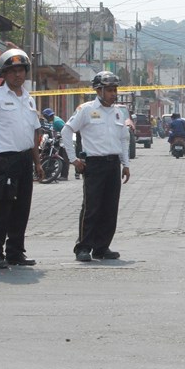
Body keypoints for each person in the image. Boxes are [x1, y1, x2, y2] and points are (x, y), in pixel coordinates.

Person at [0, 48, 44, 270]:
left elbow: (34, 132)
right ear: (4, 74)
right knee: (1, 209)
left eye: (21, 70)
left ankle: (15, 252)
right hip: (3, 160)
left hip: (24, 159)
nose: (18, 75)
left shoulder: (29, 99)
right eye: (13, 71)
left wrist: (37, 162)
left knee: (22, 208)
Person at [62, 71, 131, 262]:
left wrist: (125, 164)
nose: (113, 93)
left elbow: (124, 139)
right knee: (92, 208)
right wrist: (73, 159)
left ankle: (102, 247)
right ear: (98, 90)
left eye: (115, 90)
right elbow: (66, 131)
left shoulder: (118, 111)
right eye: (109, 90)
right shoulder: (86, 109)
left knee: (110, 208)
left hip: (113, 165)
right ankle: (83, 247)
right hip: (94, 165)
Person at [41, 108, 70, 180]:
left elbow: (65, 130)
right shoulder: (53, 121)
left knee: (64, 158)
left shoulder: (57, 121)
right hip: (60, 141)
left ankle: (64, 176)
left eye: (46, 117)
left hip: (64, 141)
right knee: (60, 156)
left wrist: (60, 136)